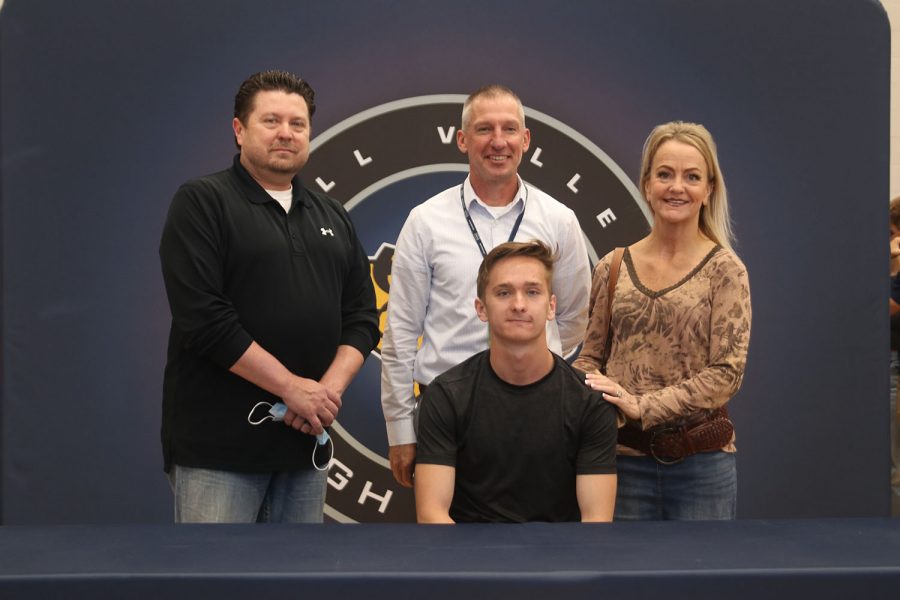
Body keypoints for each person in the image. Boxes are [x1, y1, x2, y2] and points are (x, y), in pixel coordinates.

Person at [159, 70, 379, 523]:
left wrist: (322, 396)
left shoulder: (332, 214)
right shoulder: (203, 202)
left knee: (298, 588)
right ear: (239, 129)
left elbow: (361, 318)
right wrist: (291, 389)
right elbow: (205, 320)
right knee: (216, 585)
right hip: (218, 454)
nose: (286, 133)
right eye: (271, 121)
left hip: (303, 444)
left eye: (297, 124)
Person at [381, 85, 591, 488]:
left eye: (510, 129)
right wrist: (401, 430)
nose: (498, 142)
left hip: (540, 414)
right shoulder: (425, 222)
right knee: (445, 543)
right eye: (484, 129)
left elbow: (573, 317)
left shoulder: (560, 220)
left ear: (525, 140)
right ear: (462, 140)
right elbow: (402, 333)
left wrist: (526, 359)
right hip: (447, 415)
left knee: (541, 542)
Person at [574, 121, 751, 521]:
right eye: (665, 174)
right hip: (619, 466)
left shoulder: (726, 271)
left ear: (708, 190)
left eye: (692, 177)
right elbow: (589, 361)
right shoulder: (612, 266)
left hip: (702, 469)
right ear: (647, 184)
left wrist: (641, 405)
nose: (677, 187)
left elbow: (726, 374)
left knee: (701, 584)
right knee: (618, 582)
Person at [415, 241, 618, 523]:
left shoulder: (590, 402)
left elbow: (596, 522)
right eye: (504, 292)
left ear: (551, 306)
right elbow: (432, 515)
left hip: (561, 560)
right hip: (470, 560)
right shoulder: (446, 396)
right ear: (481, 308)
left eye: (532, 292)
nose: (519, 305)